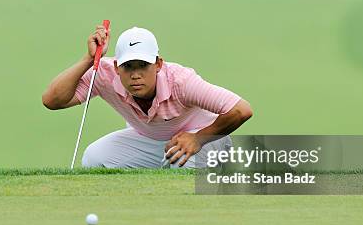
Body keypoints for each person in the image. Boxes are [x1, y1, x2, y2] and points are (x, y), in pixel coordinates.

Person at [42, 24, 253, 168]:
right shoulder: (104, 74)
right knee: (93, 158)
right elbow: (52, 100)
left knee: (182, 164)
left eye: (143, 66)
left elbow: (241, 109)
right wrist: (89, 60)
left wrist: (199, 138)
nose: (135, 75)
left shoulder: (181, 81)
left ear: (158, 64)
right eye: (128, 66)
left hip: (205, 140)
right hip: (151, 140)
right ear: (116, 66)